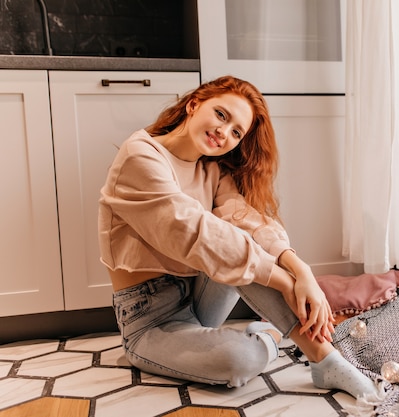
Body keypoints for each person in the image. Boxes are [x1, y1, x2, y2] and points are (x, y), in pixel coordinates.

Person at [98, 75, 378, 398]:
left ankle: (326, 359)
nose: (223, 132)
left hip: (198, 299)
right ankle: (270, 339)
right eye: (221, 115)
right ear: (194, 104)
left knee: (247, 240)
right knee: (241, 359)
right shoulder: (141, 157)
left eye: (235, 132)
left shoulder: (212, 169)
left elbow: (250, 222)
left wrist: (301, 271)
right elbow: (197, 235)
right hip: (147, 320)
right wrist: (285, 283)